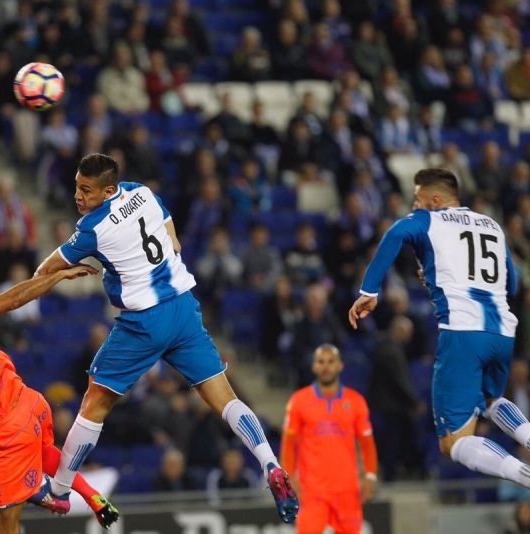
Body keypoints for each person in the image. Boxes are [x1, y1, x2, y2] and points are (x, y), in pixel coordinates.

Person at [35, 153, 298, 523]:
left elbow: (44, 270)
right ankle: (269, 462)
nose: (78, 195)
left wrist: (71, 269)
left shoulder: (92, 228)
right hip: (184, 309)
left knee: (94, 401)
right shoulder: (140, 192)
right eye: (77, 186)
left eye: (87, 189)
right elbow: (170, 232)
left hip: (144, 320)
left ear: (108, 191)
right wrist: (154, 249)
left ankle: (61, 490)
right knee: (225, 397)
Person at [349, 169, 530, 488]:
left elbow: (395, 234)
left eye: (417, 200)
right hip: (501, 333)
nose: (414, 206)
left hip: (463, 333)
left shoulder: (429, 219)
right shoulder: (491, 224)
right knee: (491, 400)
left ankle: (524, 474)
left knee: (453, 444)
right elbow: (512, 284)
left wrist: (369, 291)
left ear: (435, 200)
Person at [0, 265, 121, 533]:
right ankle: (83, 494)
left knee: (4, 529)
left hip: (9, 429)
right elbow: (12, 299)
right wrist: (55, 277)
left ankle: (41, 489)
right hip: (31, 401)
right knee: (41, 453)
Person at [280, 344, 378, 534]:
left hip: (347, 491)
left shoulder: (356, 401)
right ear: (314, 366)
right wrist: (288, 477)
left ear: (340, 365)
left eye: (331, 362)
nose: (326, 367)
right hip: (312, 491)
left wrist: (370, 476)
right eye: (321, 362)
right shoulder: (299, 401)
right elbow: (288, 443)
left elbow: (367, 444)